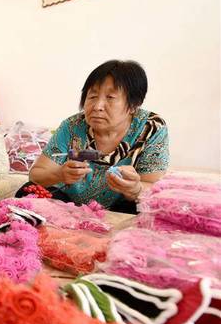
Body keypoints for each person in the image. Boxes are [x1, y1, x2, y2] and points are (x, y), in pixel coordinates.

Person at [26, 60, 169, 213]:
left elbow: (153, 188)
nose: (97, 106)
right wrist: (59, 174)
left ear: (133, 105)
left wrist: (135, 189)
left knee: (143, 208)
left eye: (110, 97)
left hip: (123, 206)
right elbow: (36, 175)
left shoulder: (151, 128)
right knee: (27, 191)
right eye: (92, 96)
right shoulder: (73, 126)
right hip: (70, 205)